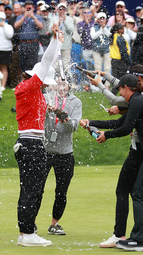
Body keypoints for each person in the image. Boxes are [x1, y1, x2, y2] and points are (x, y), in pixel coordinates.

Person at [81, 74, 143, 251]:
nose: (120, 94)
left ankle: (139, 240)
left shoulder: (137, 102)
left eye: (120, 90)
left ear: (126, 88)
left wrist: (105, 135)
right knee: (138, 192)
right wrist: (91, 122)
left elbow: (125, 129)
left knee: (138, 193)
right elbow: (119, 123)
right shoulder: (137, 101)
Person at [14, 24, 63, 247]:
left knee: (30, 188)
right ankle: (27, 233)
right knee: (32, 189)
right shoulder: (31, 86)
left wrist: (58, 42)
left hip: (28, 143)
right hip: (31, 144)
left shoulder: (32, 89)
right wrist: (56, 40)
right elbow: (47, 62)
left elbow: (48, 65)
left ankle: (26, 233)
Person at [39, 73, 82, 235]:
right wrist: (46, 110)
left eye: (64, 84)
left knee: (61, 191)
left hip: (65, 153)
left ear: (69, 86)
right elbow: (36, 118)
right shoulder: (46, 97)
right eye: (58, 84)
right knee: (37, 188)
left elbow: (73, 127)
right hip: (45, 151)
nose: (61, 87)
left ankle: (54, 224)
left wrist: (60, 113)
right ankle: (32, 223)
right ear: (53, 85)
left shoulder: (75, 102)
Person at [14, 1, 44, 72]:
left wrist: (33, 17)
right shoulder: (20, 17)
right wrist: (24, 16)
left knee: (33, 63)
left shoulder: (38, 17)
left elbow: (41, 26)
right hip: (23, 43)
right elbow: (16, 26)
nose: (28, 10)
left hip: (34, 43)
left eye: (30, 8)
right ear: (24, 8)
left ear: (33, 8)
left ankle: (32, 80)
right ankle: (24, 80)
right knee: (22, 63)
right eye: (27, 8)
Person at [90, 12, 111, 81]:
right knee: (97, 67)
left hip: (107, 50)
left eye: (103, 18)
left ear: (106, 20)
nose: (102, 20)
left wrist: (104, 28)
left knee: (107, 68)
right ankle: (98, 82)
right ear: (98, 20)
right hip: (96, 50)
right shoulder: (94, 28)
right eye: (100, 18)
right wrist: (101, 30)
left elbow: (109, 35)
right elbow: (93, 37)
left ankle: (107, 84)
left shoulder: (109, 28)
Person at [0, 11, 14, 92]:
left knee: (4, 68)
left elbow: (9, 36)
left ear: (4, 19)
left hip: (6, 50)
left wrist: (3, 26)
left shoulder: (8, 27)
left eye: (1, 19)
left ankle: (3, 85)